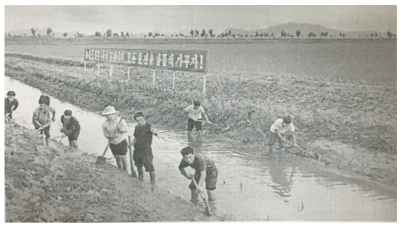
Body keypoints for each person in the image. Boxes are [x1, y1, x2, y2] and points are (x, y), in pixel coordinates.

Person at [131, 112, 157, 186]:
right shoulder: (137, 127)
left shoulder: (149, 126)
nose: (140, 122)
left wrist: (154, 132)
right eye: (138, 120)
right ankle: (140, 179)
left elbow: (154, 131)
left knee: (150, 167)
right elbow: (135, 138)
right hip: (137, 149)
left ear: (144, 118)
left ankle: (152, 183)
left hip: (146, 150)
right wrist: (131, 144)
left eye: (141, 119)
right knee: (138, 165)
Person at [101, 106, 128, 171]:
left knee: (123, 157)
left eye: (111, 114)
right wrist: (109, 136)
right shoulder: (104, 123)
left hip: (121, 141)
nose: (110, 116)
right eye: (107, 115)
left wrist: (120, 129)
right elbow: (105, 133)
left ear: (114, 114)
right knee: (117, 157)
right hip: (112, 142)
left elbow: (125, 130)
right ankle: (119, 169)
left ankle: (125, 169)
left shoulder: (120, 121)